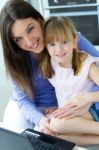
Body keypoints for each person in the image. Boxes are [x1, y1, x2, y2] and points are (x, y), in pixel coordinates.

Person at [0, 0, 99, 145]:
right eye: (18, 39)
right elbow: (22, 99)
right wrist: (40, 119)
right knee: (17, 140)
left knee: (53, 129)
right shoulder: (18, 60)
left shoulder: (68, 41)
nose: (29, 42)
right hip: (37, 108)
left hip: (75, 106)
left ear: (40, 20)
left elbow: (94, 71)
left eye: (30, 29)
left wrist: (87, 99)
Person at [37, 16, 99, 145]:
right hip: (70, 112)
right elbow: (64, 89)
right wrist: (54, 108)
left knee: (57, 124)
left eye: (64, 42)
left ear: (74, 42)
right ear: (46, 47)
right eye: (52, 44)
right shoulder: (51, 64)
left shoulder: (86, 64)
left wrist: (86, 98)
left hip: (89, 110)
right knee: (49, 134)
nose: (58, 49)